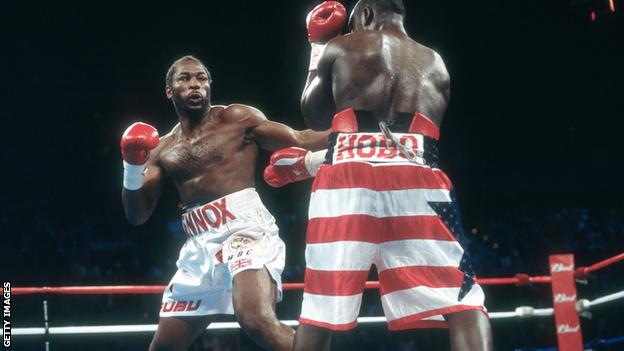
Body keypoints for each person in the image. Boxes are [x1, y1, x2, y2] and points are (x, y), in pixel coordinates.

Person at [263, 1, 493, 350]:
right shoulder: (436, 62)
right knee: (464, 300)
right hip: (420, 178)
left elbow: (315, 115)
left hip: (346, 183)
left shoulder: (344, 46)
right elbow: (398, 141)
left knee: (319, 309)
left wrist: (318, 47)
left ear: (366, 14)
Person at [120, 55, 328, 351]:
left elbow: (299, 137)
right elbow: (137, 215)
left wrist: (352, 130)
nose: (196, 84)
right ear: (169, 90)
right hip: (199, 247)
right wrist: (130, 164)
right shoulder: (162, 149)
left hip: (245, 232)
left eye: (202, 78)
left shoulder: (237, 119)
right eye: (185, 79)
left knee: (256, 321)